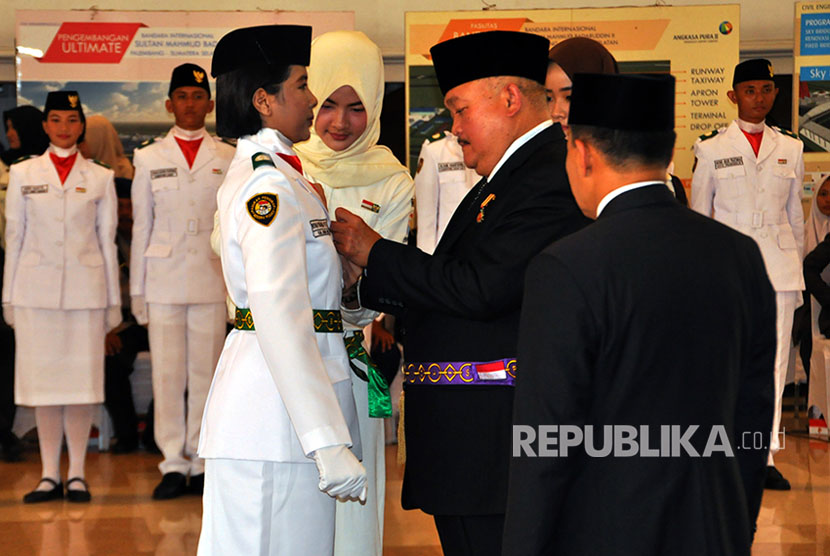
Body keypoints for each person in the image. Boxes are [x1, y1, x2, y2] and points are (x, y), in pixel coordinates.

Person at [331, 30, 590, 556]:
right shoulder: (506, 178)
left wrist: (376, 251)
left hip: (494, 445)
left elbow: (480, 288)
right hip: (474, 445)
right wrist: (368, 280)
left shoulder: (547, 175)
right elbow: (455, 280)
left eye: (460, 109)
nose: (455, 128)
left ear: (510, 99)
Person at [504, 72, 775, 556]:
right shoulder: (739, 255)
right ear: (668, 153)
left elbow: (545, 441)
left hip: (603, 533)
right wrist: (736, 523)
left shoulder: (566, 267)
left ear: (582, 153)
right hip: (714, 529)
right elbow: (752, 414)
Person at [197, 25, 367, 556]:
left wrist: (348, 280)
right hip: (270, 421)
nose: (314, 99)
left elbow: (313, 303)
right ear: (263, 101)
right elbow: (278, 316)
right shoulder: (266, 185)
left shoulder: (289, 177)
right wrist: (326, 439)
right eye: (302, 84)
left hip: (290, 415)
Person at [294, 29, 414, 556]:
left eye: (357, 107)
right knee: (291, 496)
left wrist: (352, 282)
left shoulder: (392, 180)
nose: (340, 123)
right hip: (283, 357)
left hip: (350, 353)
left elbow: (376, 295)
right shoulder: (283, 164)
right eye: (327, 105)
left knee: (353, 502)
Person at [2, 90, 121, 503]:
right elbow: (14, 239)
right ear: (45, 125)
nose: (65, 128)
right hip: (35, 294)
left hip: (87, 295)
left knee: (82, 386)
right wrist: (8, 299)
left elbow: (107, 244)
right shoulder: (23, 174)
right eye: (56, 120)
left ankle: (77, 474)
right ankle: (49, 474)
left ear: (81, 125)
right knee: (44, 387)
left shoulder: (100, 177)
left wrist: (113, 306)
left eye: (72, 120)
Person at [691, 58, 804, 490]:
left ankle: (763, 455)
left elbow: (795, 216)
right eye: (751, 90)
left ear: (775, 93)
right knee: (725, 361)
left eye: (767, 89)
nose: (760, 98)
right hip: (725, 270)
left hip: (778, 270)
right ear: (733, 96)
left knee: (775, 365)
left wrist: (797, 272)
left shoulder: (790, 148)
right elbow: (700, 216)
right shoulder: (711, 147)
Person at [130, 63, 234, 500]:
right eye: (182, 96)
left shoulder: (228, 157)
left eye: (198, 95)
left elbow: (231, 229)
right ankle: (173, 461)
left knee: (208, 374)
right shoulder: (149, 157)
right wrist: (137, 292)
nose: (190, 104)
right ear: (170, 104)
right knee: (168, 376)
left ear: (210, 104)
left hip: (211, 280)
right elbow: (141, 228)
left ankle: (203, 458)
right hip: (164, 280)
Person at [104, 178, 150, 454]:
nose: (124, 212)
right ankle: (127, 436)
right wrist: (104, 330)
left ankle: (156, 436)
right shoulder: (106, 243)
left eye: (128, 206)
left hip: (160, 317)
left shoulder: (153, 237)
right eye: (118, 207)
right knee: (111, 363)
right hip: (123, 324)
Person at [414, 129, 478, 254]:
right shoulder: (435, 149)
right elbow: (426, 219)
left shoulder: (493, 146)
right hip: (447, 255)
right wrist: (426, 263)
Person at [79, 115, 134, 180]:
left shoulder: (128, 174)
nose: (78, 146)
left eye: (83, 140)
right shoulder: (79, 169)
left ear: (98, 141)